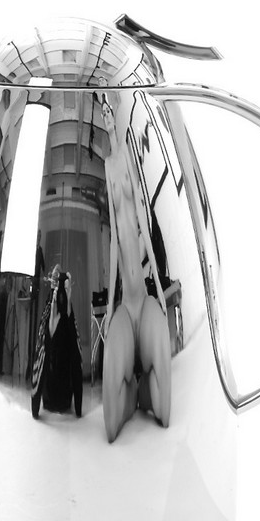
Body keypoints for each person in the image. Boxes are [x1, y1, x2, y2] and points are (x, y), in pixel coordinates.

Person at [101, 97, 171, 443]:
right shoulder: (106, 165)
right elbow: (115, 235)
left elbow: (141, 215)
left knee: (165, 410)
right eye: (102, 113)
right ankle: (131, 397)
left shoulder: (127, 154)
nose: (106, 117)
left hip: (143, 299)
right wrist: (110, 306)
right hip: (126, 306)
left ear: (115, 113)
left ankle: (143, 392)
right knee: (110, 423)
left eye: (108, 111)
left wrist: (157, 284)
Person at [31, 265, 82, 419]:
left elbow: (76, 354)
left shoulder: (67, 312)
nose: (60, 295)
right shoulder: (50, 310)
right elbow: (41, 351)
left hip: (65, 397)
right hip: (49, 396)